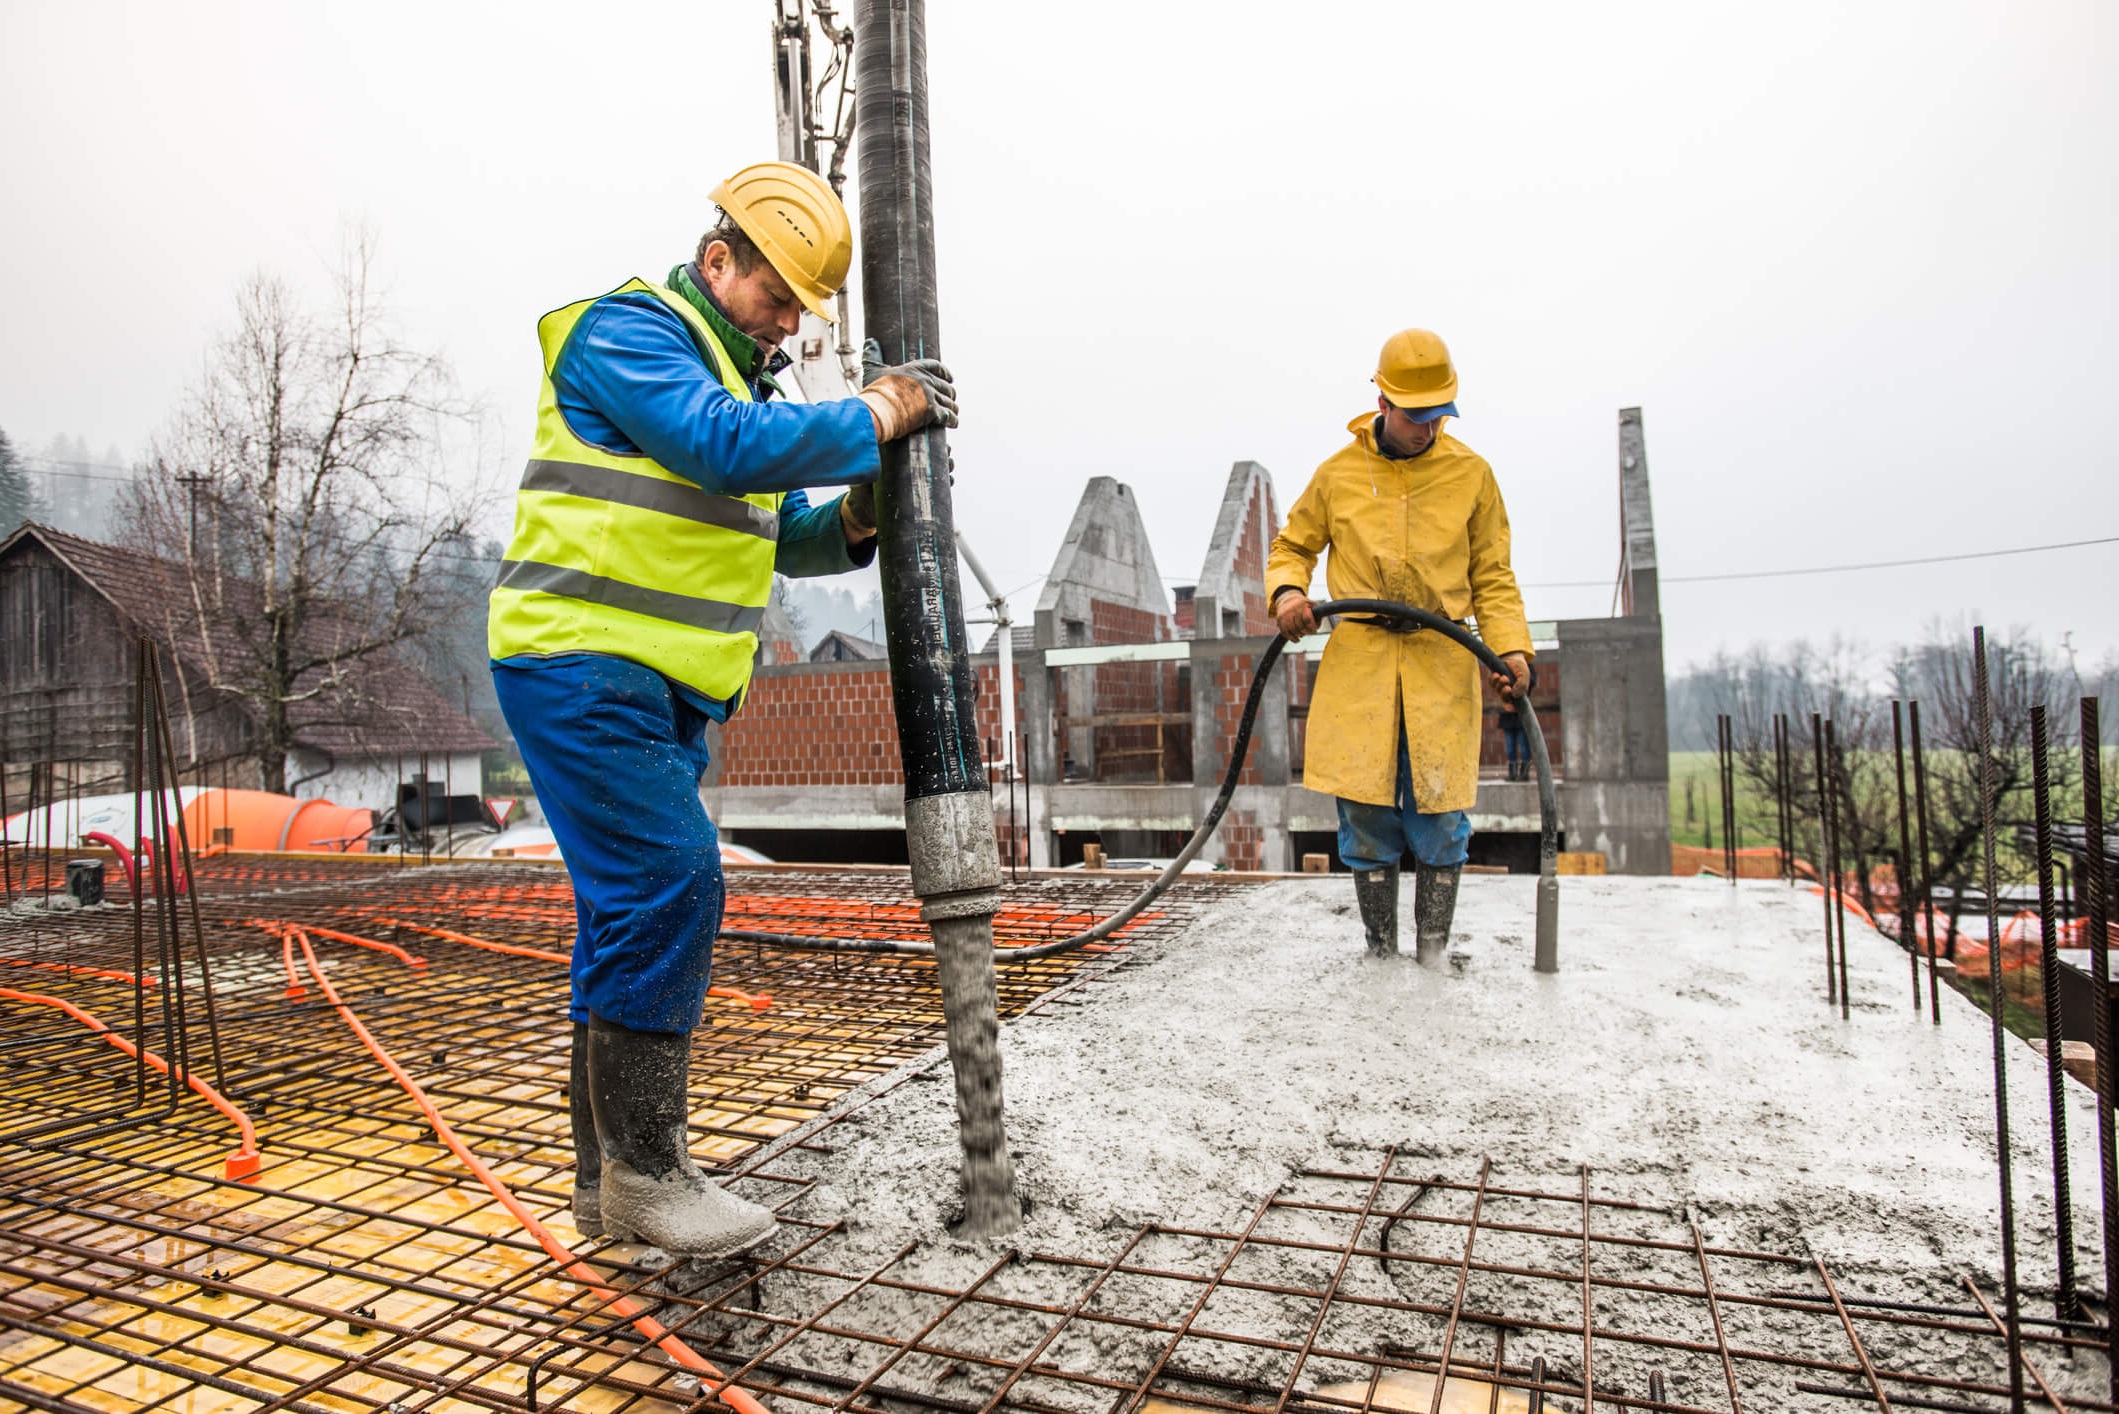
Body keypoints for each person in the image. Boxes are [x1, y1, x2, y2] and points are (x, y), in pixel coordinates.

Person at [486, 162, 957, 1258]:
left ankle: (608, 1188)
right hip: (580, 660)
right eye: (775, 295)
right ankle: (651, 1174)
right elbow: (717, 448)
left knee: (625, 912)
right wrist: (879, 409)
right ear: (717, 261)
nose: (787, 321)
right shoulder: (629, 335)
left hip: (652, 687)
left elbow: (786, 527)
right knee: (672, 879)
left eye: (800, 306)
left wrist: (865, 501)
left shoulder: (743, 388)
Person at [1265, 329, 1533, 964]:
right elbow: (1294, 546)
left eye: (1442, 412)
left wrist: (1511, 649)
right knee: (1364, 815)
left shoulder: (1472, 475)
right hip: (1361, 664)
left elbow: (1494, 575)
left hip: (1441, 663)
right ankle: (1381, 955)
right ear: (1382, 400)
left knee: (1440, 817)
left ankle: (1433, 958)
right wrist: (1286, 593)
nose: (1430, 426)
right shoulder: (1337, 475)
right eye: (1418, 414)